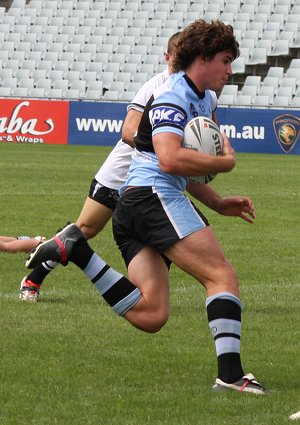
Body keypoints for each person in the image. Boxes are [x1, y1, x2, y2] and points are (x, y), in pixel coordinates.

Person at [25, 20, 265, 394]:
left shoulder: (205, 99)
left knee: (151, 314)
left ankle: (76, 249)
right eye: (226, 60)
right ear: (202, 58)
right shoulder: (173, 96)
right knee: (221, 276)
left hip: (137, 201)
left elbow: (177, 163)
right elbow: (169, 159)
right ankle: (232, 377)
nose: (230, 71)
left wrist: (217, 202)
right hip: (154, 196)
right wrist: (224, 163)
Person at [19, 32, 182, 302]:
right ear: (168, 57)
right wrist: (164, 146)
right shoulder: (157, 85)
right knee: (84, 230)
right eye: (177, 54)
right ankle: (34, 277)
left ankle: (150, 293)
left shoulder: (200, 92)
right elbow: (128, 131)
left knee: (166, 235)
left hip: (157, 178)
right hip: (121, 172)